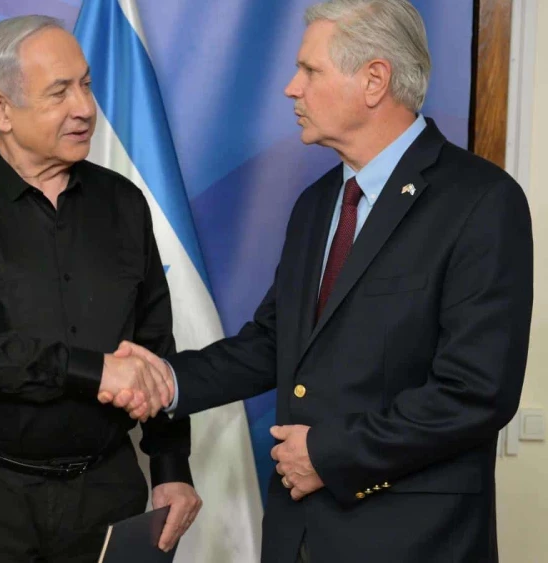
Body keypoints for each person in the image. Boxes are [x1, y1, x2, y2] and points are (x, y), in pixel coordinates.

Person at [112, 1, 533, 562]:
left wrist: (330, 454)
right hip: (298, 536)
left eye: (310, 70)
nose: (291, 87)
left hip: (415, 541)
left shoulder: (480, 201)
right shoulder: (316, 205)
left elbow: (476, 392)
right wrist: (166, 379)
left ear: (374, 80)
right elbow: (274, 342)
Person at [0, 15, 201, 562]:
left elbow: (155, 347)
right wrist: (93, 369)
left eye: (86, 84)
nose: (85, 108)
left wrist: (170, 468)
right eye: (59, 92)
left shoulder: (124, 203)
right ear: (0, 110)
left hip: (109, 488)